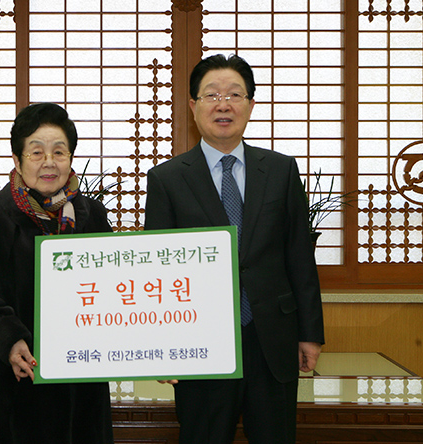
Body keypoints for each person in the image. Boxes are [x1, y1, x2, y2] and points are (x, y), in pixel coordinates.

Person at [144, 54, 325, 443]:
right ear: (193, 106)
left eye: (234, 95)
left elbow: (299, 255)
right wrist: (161, 347)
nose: (223, 104)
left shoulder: (281, 170)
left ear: (250, 104)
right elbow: (157, 271)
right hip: (199, 340)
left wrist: (310, 333)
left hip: (271, 338)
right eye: (211, 95)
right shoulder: (166, 179)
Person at [0, 103, 114, 443]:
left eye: (59, 152)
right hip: (11, 379)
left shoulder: (92, 216)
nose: (49, 162)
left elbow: (113, 287)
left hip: (79, 378)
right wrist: (8, 338)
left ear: (70, 158)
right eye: (37, 152)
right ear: (17, 160)